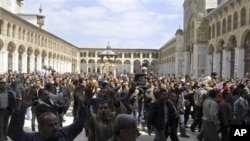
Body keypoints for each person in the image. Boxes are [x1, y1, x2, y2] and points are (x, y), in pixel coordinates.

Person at [7, 87, 87, 141]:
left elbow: (79, 124)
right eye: (50, 125)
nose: (55, 128)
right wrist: (21, 110)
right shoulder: (34, 138)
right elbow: (14, 133)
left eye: (56, 124)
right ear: (40, 128)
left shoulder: (64, 134)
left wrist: (82, 104)